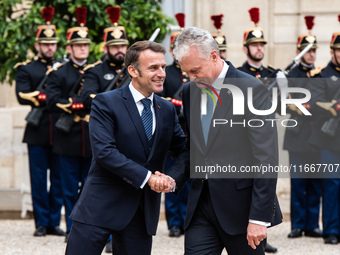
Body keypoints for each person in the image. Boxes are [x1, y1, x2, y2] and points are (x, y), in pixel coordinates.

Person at [167, 27, 282, 255]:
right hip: (201, 204)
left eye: (195, 70)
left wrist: (259, 217)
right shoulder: (191, 91)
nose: (191, 78)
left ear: (213, 56)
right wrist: (173, 177)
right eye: (186, 72)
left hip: (241, 209)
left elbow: (266, 157)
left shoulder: (251, 89)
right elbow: (195, 147)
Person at [65, 40, 187, 255]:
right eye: (153, 68)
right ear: (133, 70)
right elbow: (105, 152)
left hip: (141, 212)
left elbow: (184, 150)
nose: (161, 74)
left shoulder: (167, 109)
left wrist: (172, 179)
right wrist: (149, 178)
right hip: (100, 205)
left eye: (163, 67)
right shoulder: (106, 102)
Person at [80, 6, 130, 253]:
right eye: (115, 46)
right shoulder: (95, 72)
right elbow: (87, 96)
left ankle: (120, 233)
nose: (120, 50)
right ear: (106, 48)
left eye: (123, 46)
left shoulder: (133, 72)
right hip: (103, 137)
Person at [14, 6, 65, 237]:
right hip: (37, 130)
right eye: (45, 44)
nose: (49, 47)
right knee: (37, 179)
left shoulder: (64, 69)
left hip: (62, 131)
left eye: (53, 44)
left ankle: (54, 221)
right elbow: (22, 94)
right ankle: (41, 223)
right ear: (37, 45)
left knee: (58, 179)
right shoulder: (26, 69)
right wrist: (52, 99)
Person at [238, 9, 283, 252]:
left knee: (265, 180)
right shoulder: (238, 74)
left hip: (266, 132)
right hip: (243, 134)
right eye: (254, 45)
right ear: (246, 48)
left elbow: (283, 107)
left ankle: (262, 232)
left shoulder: (273, 74)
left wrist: (281, 89)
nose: (259, 49)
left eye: (261, 45)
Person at [45, 7, 92, 242]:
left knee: (91, 187)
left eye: (86, 45)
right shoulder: (59, 73)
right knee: (69, 187)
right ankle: (73, 228)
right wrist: (73, 104)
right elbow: (51, 100)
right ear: (70, 48)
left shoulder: (96, 71)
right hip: (68, 136)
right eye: (78, 45)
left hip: (92, 137)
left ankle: (90, 228)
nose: (83, 48)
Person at [284, 16, 322, 239]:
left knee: (315, 183)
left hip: (315, 136)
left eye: (314, 51)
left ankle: (312, 224)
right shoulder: (291, 75)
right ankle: (297, 224)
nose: (311, 55)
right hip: (297, 136)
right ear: (300, 52)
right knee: (298, 182)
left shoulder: (320, 75)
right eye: (308, 51)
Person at [158, 12, 191, 238]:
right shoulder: (166, 72)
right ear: (171, 51)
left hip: (190, 130)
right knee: (171, 176)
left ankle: (188, 218)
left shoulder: (193, 72)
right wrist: (174, 102)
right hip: (171, 131)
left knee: (188, 179)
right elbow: (160, 99)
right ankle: (174, 222)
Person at [309, 16, 340, 244]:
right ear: (332, 52)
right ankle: (330, 229)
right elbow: (317, 104)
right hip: (330, 139)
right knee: (331, 186)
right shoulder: (321, 74)